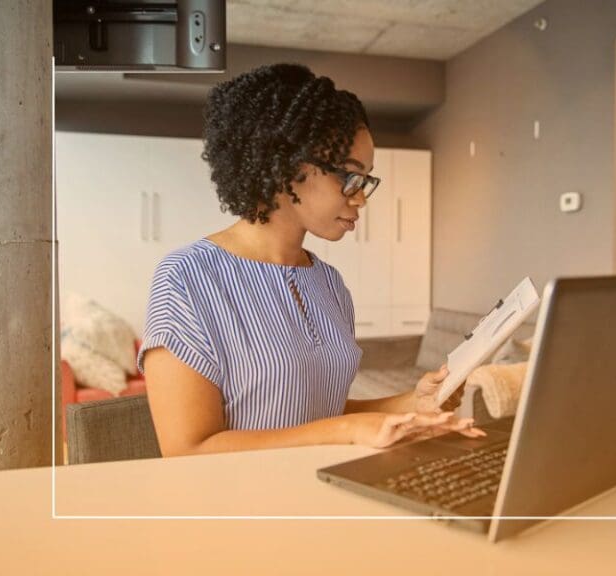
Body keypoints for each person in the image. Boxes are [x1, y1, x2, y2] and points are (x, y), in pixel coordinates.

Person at [138, 63, 484, 457]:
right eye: (350, 177)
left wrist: (410, 404)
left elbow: (318, 416)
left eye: (367, 179)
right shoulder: (187, 278)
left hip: (328, 486)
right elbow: (187, 450)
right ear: (287, 166)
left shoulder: (329, 284)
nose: (361, 197)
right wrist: (351, 430)